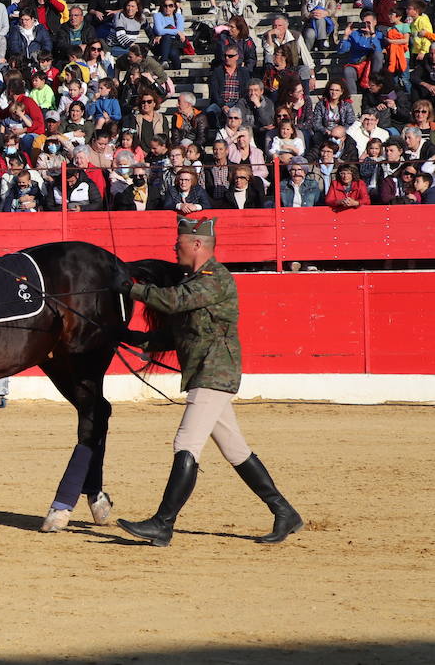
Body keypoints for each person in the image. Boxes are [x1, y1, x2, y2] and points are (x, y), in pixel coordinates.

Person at [116, 218, 303, 546]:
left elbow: (172, 302)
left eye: (180, 242)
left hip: (214, 373)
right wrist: (129, 337)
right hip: (207, 372)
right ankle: (285, 513)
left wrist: (130, 287)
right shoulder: (196, 282)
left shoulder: (215, 278)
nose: (175, 248)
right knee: (236, 450)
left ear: (198, 245)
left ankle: (163, 523)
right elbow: (177, 333)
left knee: (185, 444)